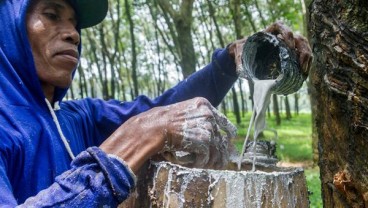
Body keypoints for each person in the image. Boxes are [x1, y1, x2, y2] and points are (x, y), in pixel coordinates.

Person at [0, 0, 312, 207]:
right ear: (8, 22)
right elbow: (146, 125)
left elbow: (162, 110)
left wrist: (232, 58)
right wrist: (125, 149)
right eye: (52, 15)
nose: (72, 34)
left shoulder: (76, 117)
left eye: (74, 23)